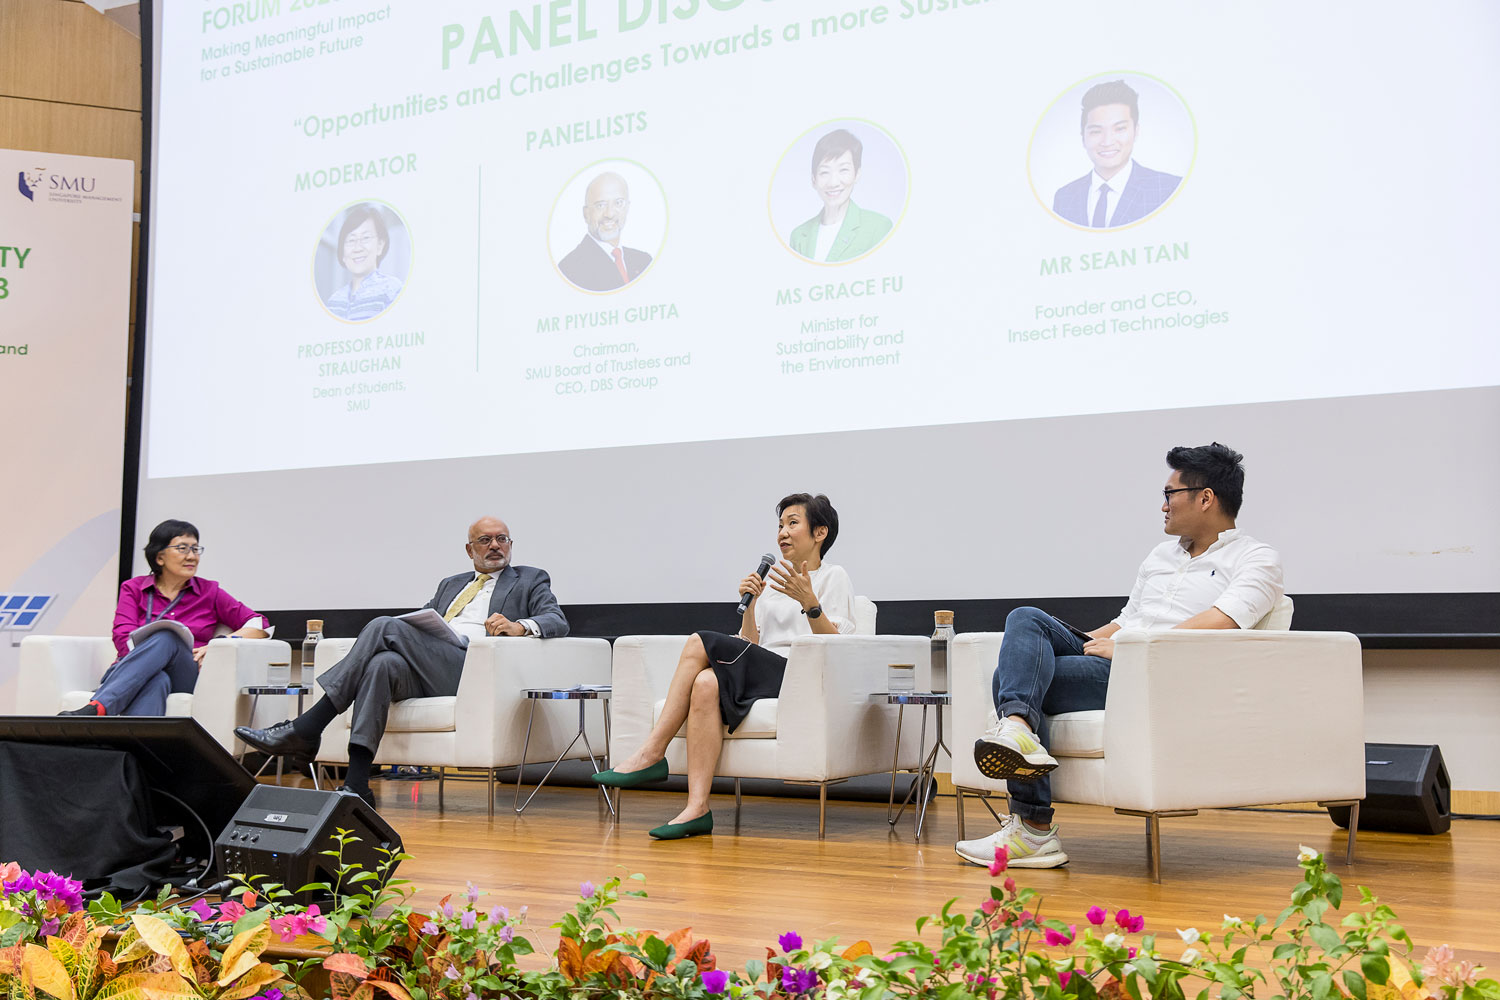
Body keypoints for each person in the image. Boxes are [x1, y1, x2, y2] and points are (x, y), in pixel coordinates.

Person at [956, 444, 1283, 869]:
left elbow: (1225, 620)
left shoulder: (1257, 558)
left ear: (1205, 498)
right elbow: (1127, 618)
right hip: (1117, 656)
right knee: (1027, 621)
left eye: (1170, 494)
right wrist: (1074, 644)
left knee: (1008, 679)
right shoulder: (1160, 556)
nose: (1162, 505)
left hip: (1155, 672)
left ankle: (1032, 827)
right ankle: (1018, 728)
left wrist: (1128, 648)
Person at [235, 517, 568, 806]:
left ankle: (308, 726)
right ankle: (357, 785)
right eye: (485, 540)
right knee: (382, 665)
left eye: (502, 539)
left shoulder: (529, 578)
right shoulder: (451, 584)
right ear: (470, 550)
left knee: (384, 626)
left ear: (511, 544)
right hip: (431, 666)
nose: (495, 545)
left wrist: (519, 626)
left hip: (471, 669)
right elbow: (420, 621)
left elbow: (557, 619)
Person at [593, 493, 856, 840]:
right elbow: (750, 647)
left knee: (698, 641)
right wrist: (751, 608)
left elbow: (837, 647)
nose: (783, 533)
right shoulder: (773, 584)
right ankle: (697, 809)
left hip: (797, 674)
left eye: (793, 523)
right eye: (780, 525)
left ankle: (652, 751)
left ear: (819, 532)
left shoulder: (833, 577)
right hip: (764, 671)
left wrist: (810, 603)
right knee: (705, 684)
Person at [62, 519, 270, 717]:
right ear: (159, 557)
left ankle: (98, 708)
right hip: (135, 669)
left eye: (195, 549)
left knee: (167, 637)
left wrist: (222, 642)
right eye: (182, 548)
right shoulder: (134, 588)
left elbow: (259, 623)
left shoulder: (210, 592)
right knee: (157, 679)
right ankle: (137, 752)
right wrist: (149, 661)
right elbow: (122, 637)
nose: (192, 556)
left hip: (185, 672)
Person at [1052, 80, 1182, 229]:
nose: (1107, 141)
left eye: (1119, 129)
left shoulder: (1168, 188)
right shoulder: (1064, 197)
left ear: (1136, 131)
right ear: (1083, 137)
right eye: (1095, 131)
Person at [788, 129, 893, 263]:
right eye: (824, 172)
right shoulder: (798, 236)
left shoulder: (878, 227)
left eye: (843, 170)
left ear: (857, 174)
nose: (833, 183)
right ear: (813, 180)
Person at [557, 172, 653, 291]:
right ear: (586, 214)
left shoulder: (644, 261)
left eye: (618, 203)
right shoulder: (569, 269)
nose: (609, 214)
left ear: (627, 207)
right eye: (600, 205)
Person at [324, 203, 404, 321]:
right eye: (351, 240)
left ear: (380, 246)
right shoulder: (334, 301)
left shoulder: (392, 290)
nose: (357, 248)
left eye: (366, 238)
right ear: (343, 253)